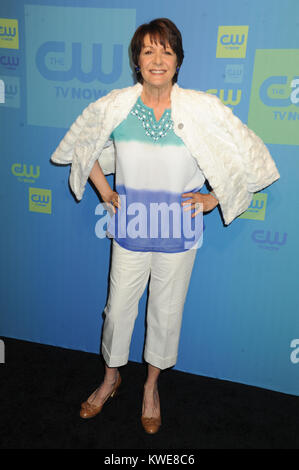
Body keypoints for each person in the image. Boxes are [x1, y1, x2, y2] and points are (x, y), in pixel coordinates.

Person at [51, 18, 280, 434]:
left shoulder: (201, 108)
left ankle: (151, 388)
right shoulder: (117, 105)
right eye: (148, 51)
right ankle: (110, 378)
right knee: (118, 310)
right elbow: (83, 149)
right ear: (137, 61)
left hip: (179, 229)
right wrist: (104, 191)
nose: (158, 59)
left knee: (165, 312)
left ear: (178, 61)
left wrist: (216, 196)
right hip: (131, 225)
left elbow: (247, 155)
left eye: (167, 51)